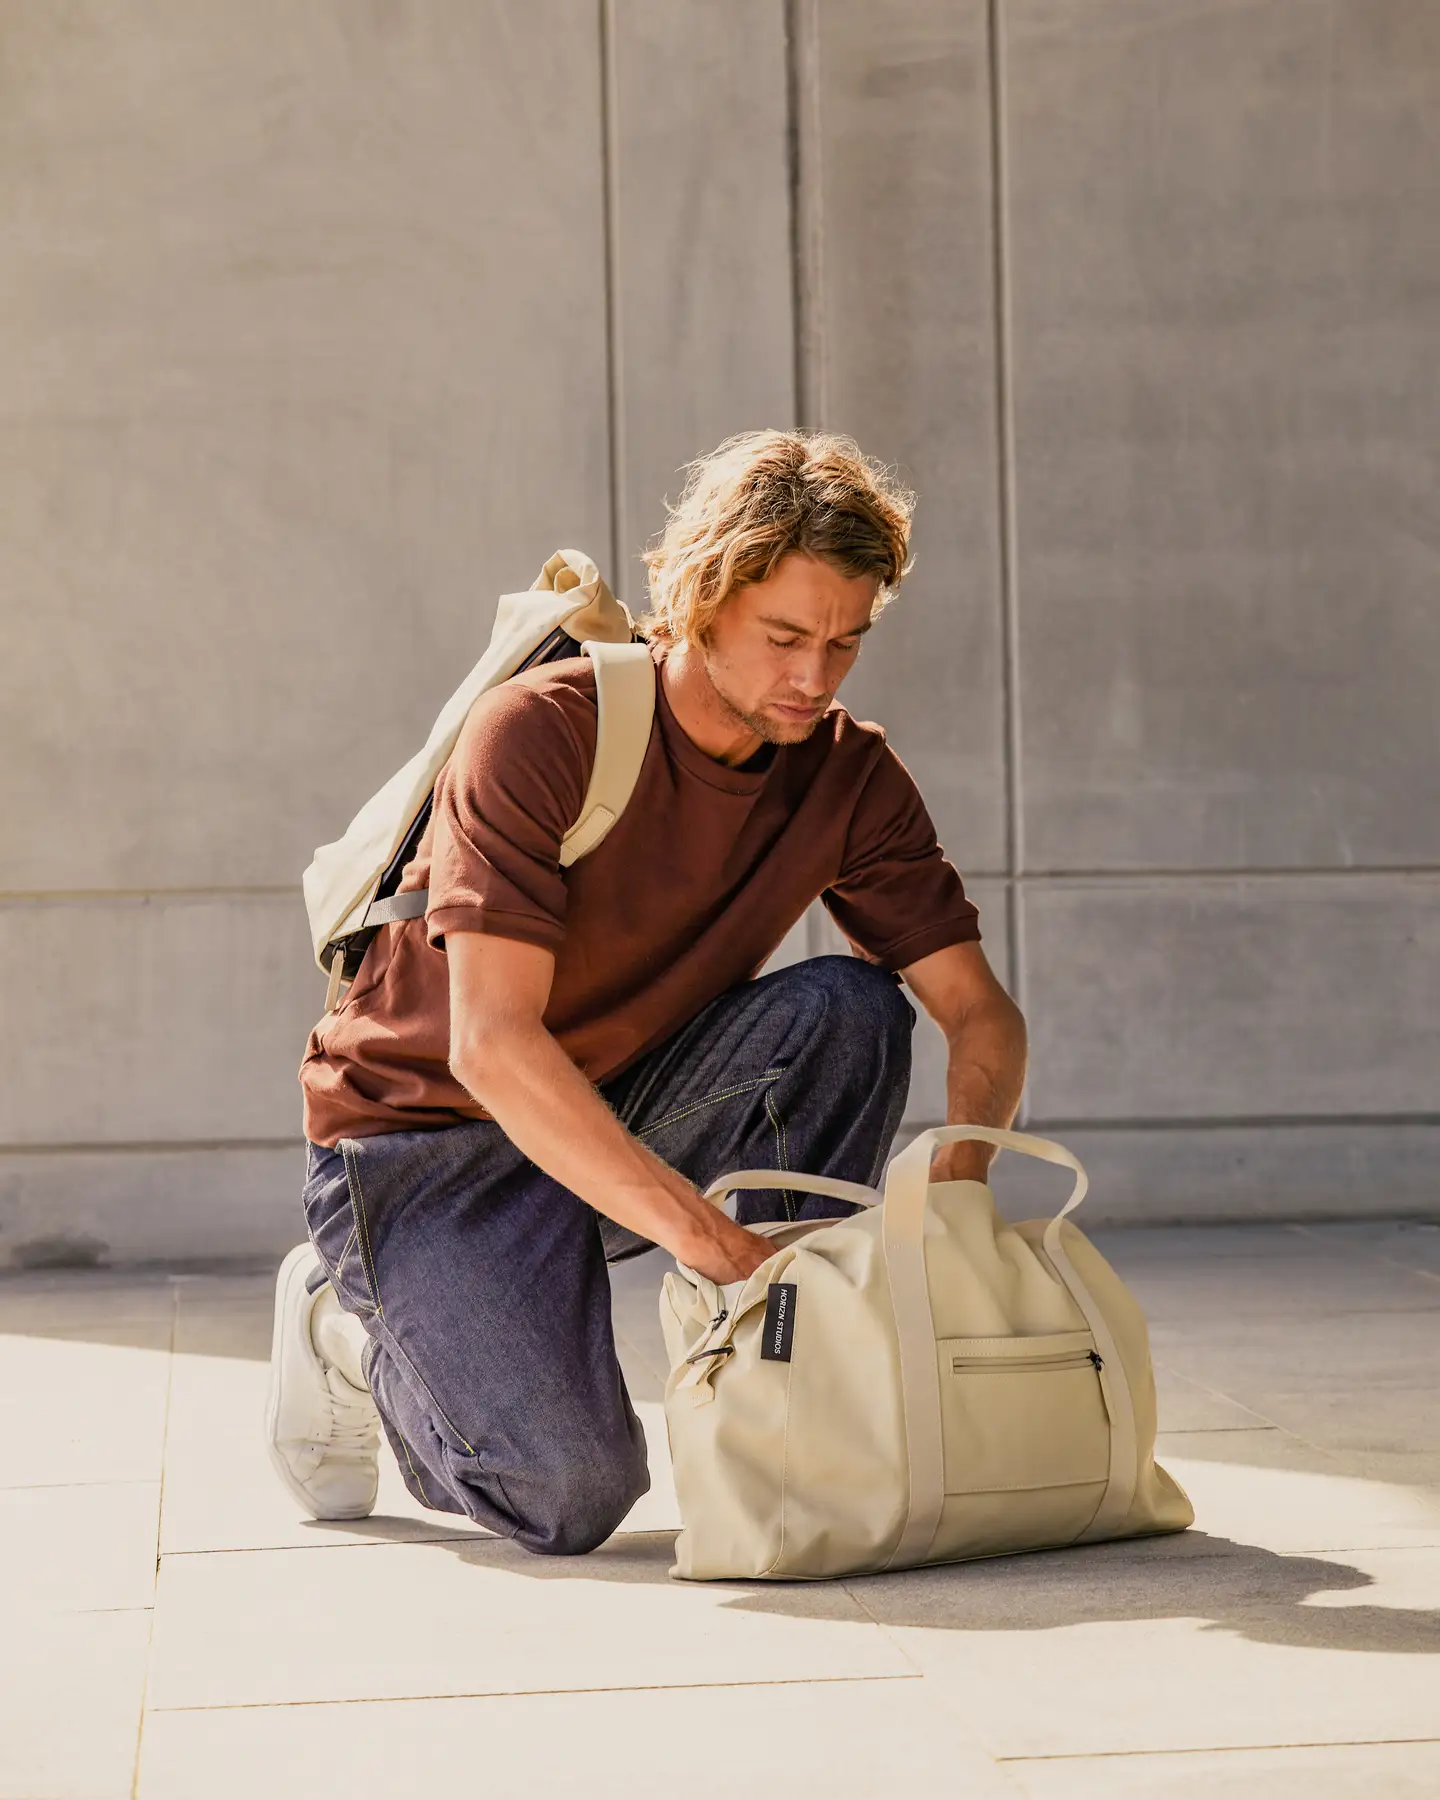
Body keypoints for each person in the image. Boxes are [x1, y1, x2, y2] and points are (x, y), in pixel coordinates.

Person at [266, 429, 1029, 1554]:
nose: (815, 677)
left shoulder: (846, 774)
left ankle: (779, 1379)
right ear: (703, 600)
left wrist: (959, 1186)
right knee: (565, 1494)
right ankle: (342, 1326)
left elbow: (978, 1010)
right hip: (420, 1148)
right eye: (784, 637)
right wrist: (716, 1244)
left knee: (850, 1008)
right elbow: (491, 1046)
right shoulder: (541, 732)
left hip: (619, 1106)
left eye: (845, 642)